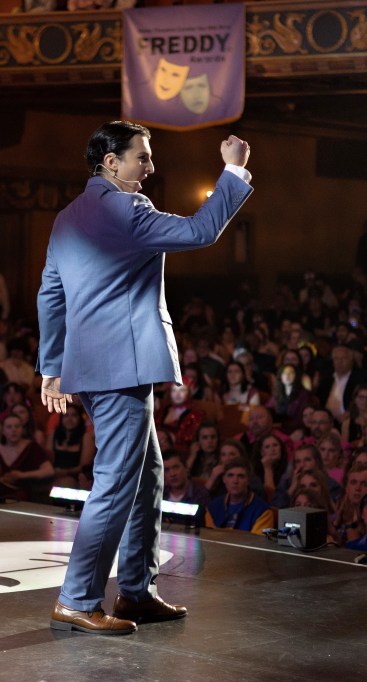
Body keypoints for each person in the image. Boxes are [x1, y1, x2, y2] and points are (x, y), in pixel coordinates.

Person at [37, 122, 252, 635]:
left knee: (148, 474)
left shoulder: (67, 216)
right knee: (114, 483)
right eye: (143, 157)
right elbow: (201, 231)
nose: (150, 167)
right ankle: (78, 598)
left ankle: (135, 592)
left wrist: (51, 368)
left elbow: (50, 293)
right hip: (121, 368)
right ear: (111, 162)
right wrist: (234, 169)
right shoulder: (128, 210)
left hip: (88, 370)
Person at [204, 458, 274, 534]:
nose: (235, 481)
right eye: (230, 475)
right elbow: (208, 536)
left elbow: (257, 543)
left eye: (241, 476)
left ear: (248, 480)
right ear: (224, 479)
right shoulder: (213, 506)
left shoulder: (262, 511)